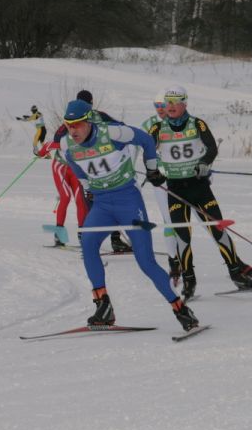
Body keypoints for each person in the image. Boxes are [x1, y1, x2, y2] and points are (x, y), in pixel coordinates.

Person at [59, 98, 199, 331]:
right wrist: (87, 188)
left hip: (127, 201)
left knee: (145, 261)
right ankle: (103, 305)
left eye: (78, 125)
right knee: (88, 244)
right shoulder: (67, 145)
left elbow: (144, 139)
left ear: (89, 121)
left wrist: (152, 169)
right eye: (68, 125)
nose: (73, 130)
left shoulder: (112, 133)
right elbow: (73, 165)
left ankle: (181, 309)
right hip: (102, 205)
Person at [148, 86, 252, 299]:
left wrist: (204, 163)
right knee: (182, 236)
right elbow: (148, 152)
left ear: (184, 104)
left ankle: (236, 273)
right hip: (176, 189)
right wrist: (153, 173)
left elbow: (211, 148)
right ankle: (189, 281)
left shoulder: (197, 124)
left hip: (198, 187)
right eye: (167, 102)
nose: (170, 106)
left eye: (175, 102)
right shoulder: (157, 129)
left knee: (218, 229)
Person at [74, 89, 132, 253]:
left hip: (86, 168)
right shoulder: (100, 116)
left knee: (94, 207)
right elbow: (123, 128)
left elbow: (60, 140)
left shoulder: (72, 120)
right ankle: (113, 241)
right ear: (92, 102)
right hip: (102, 168)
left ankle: (89, 242)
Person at [139, 92, 181, 282]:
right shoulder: (149, 125)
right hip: (161, 180)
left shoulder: (179, 121)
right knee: (169, 220)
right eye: (157, 106)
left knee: (191, 219)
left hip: (182, 176)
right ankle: (174, 262)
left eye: (163, 105)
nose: (161, 109)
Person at [34, 107, 89, 246]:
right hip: (61, 168)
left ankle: (83, 235)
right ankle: (58, 234)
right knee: (65, 197)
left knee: (80, 200)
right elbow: (49, 145)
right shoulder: (63, 133)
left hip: (77, 168)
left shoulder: (86, 131)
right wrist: (40, 153)